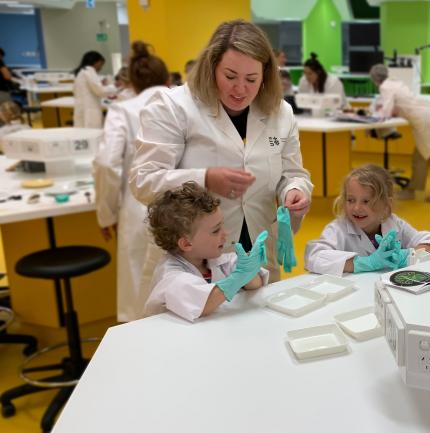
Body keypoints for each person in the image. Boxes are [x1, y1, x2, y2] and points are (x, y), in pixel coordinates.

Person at [130, 19, 313, 281]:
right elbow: (143, 181)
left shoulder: (279, 112)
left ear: (266, 75)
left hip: (258, 246)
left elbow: (293, 173)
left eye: (251, 79)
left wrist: (295, 190)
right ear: (212, 67)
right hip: (194, 256)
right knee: (202, 316)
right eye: (230, 76)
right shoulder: (173, 107)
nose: (240, 89)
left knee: (264, 319)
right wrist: (205, 179)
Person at [93, 41, 171, 322]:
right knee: (191, 298)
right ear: (168, 79)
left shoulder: (123, 111)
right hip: (191, 211)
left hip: (140, 209)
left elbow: (106, 163)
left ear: (133, 84)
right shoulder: (186, 105)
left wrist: (106, 214)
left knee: (140, 300)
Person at [144, 182, 269, 321]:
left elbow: (254, 286)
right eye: (216, 230)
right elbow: (204, 304)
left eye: (222, 225)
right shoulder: (170, 276)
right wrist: (238, 278)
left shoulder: (217, 260)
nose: (225, 233)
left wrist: (250, 272)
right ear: (186, 243)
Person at [305, 164, 430, 276]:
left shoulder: (394, 223)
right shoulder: (338, 229)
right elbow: (314, 257)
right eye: (351, 200)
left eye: (366, 201)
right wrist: (364, 263)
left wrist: (407, 256)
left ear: (385, 204)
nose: (356, 207)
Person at [368, 63, 430, 204]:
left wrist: (377, 112)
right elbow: (403, 103)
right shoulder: (396, 82)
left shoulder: (385, 87)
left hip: (426, 120)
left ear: (375, 80)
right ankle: (418, 190)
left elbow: (387, 110)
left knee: (429, 158)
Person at [73, 50, 115, 128]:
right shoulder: (89, 71)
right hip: (90, 111)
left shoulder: (82, 72)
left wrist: (100, 84)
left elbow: (91, 88)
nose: (101, 67)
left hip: (83, 109)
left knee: (83, 134)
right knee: (93, 134)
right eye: (101, 64)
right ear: (96, 62)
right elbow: (100, 91)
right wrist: (115, 87)